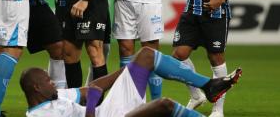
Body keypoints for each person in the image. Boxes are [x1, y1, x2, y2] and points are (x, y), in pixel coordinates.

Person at [20, 46, 242, 117]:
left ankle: (208, 85)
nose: (53, 83)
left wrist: (132, 68)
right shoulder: (41, 115)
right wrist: (90, 105)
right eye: (49, 80)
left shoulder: (56, 95)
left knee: (145, 55)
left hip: (106, 110)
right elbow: (91, 101)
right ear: (36, 87)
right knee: (164, 105)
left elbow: (93, 89)